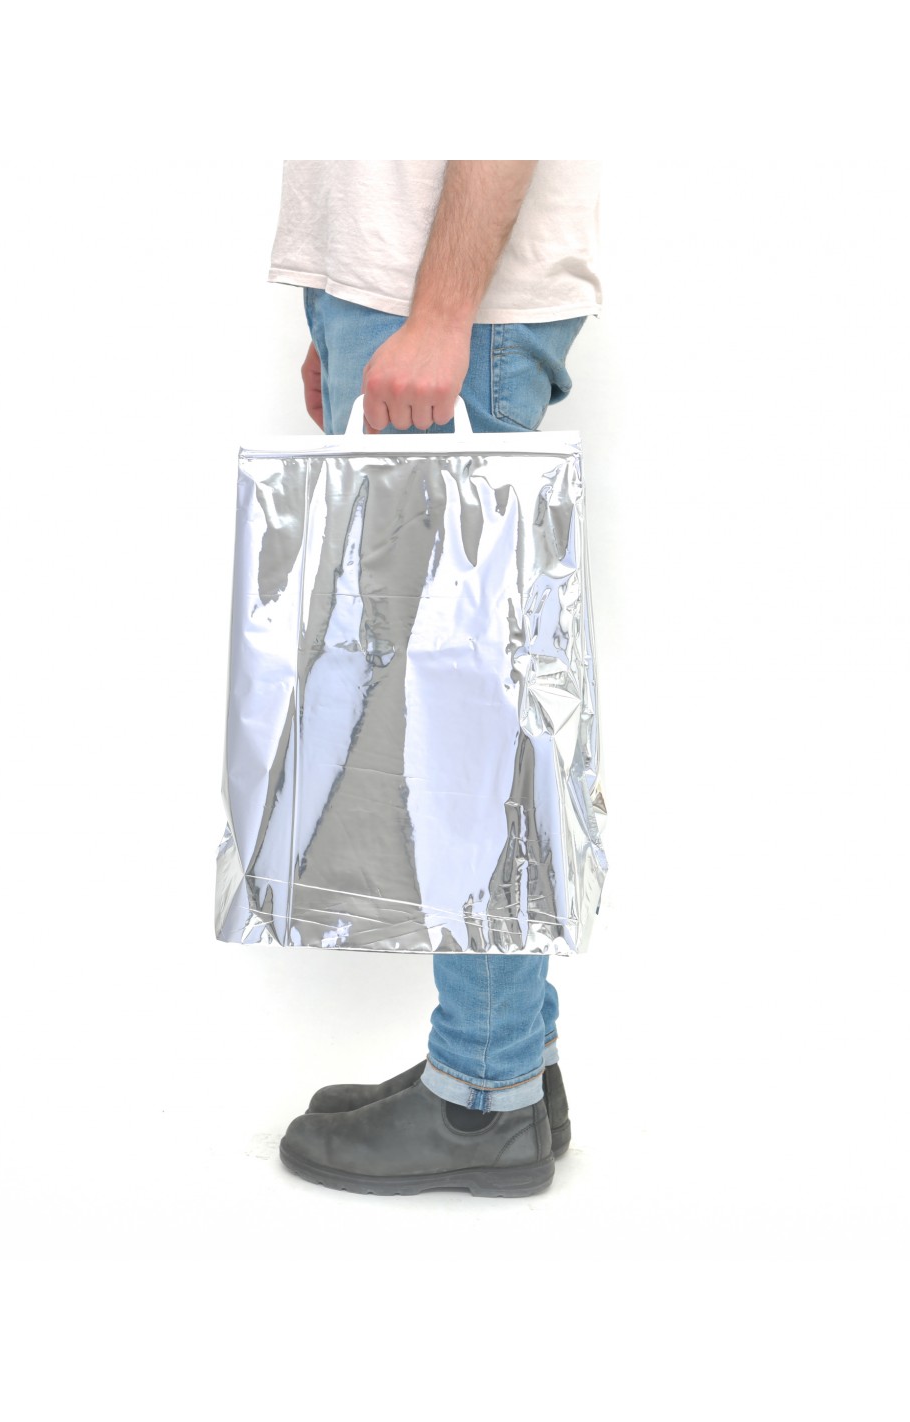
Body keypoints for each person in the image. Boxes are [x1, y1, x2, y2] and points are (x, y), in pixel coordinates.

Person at [267, 159, 602, 1197]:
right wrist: (341, 309)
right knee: (465, 706)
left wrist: (439, 315)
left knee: (465, 726)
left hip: (456, 310)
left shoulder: (451, 315)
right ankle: (513, 1056)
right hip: (396, 299)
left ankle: (481, 1097)